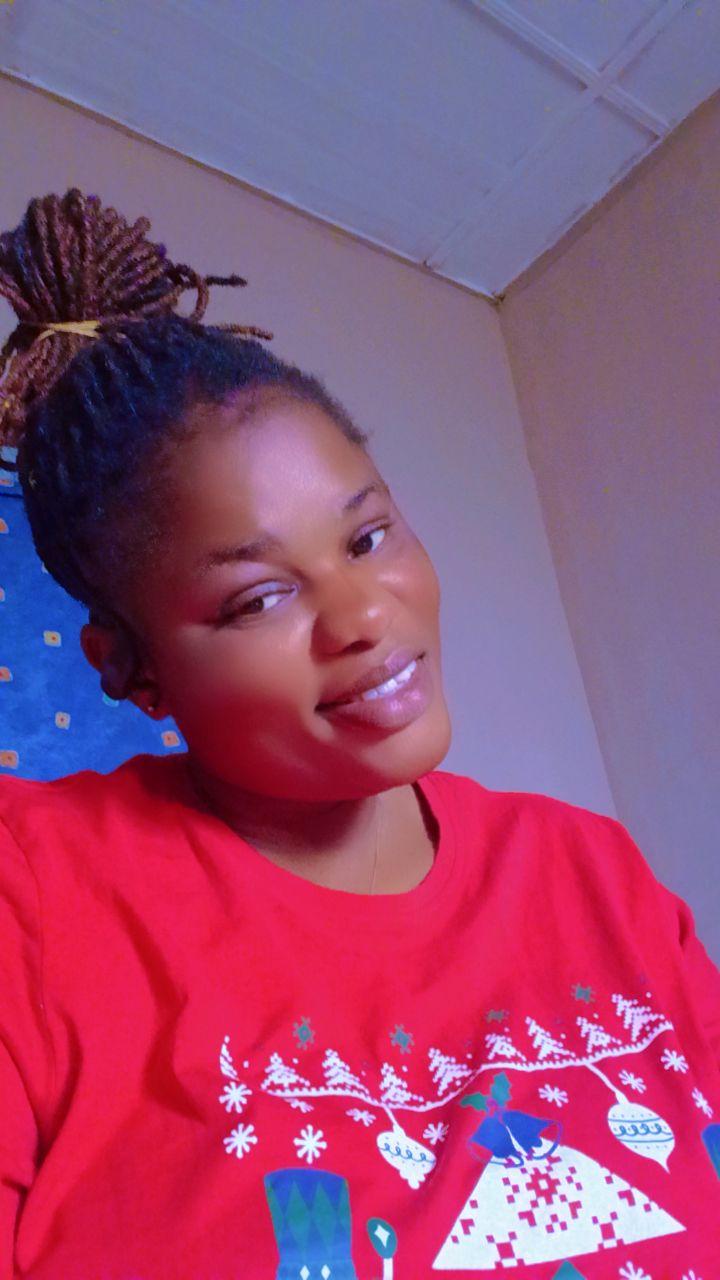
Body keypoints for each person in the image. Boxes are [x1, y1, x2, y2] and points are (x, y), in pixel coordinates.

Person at [0, 189, 718, 1280]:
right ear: (131, 669)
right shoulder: (33, 892)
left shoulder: (595, 873)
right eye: (258, 598)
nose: (365, 617)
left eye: (368, 536)